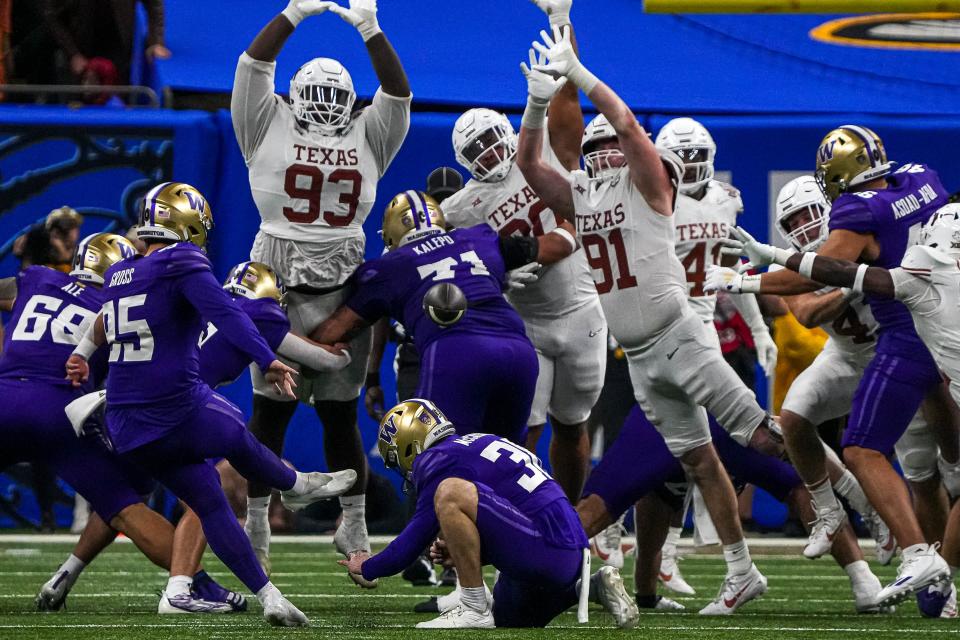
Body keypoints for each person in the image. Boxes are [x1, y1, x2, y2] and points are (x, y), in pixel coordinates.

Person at [515, 26, 775, 614]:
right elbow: (530, 162)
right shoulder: (583, 199)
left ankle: (832, 494)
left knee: (759, 436)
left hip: (681, 337)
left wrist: (578, 77)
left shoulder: (653, 186)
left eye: (611, 147)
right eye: (596, 147)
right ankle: (741, 572)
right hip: (638, 357)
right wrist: (535, 101)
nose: (604, 154)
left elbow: (629, 126)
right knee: (697, 458)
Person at [64, 182, 356, 627]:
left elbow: (104, 321)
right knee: (233, 426)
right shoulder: (182, 260)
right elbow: (227, 313)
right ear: (187, 222)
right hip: (169, 403)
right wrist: (268, 359)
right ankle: (294, 485)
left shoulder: (121, 271)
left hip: (126, 420)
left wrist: (81, 355)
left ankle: (269, 596)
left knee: (210, 499)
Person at [704, 131, 956, 607]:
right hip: (917, 329)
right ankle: (837, 512)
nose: (803, 224)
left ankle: (926, 560)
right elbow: (812, 298)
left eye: (808, 213)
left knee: (891, 458)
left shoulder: (855, 215)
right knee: (804, 418)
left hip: (904, 338)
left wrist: (745, 279)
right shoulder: (921, 176)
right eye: (792, 221)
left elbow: (822, 272)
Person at [231, 0, 411, 578]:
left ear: (351, 102)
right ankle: (257, 520)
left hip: (342, 283)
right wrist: (294, 13)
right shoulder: (266, 120)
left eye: (337, 97)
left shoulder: (370, 132)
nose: (326, 107)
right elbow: (252, 66)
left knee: (339, 413)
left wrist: (371, 30)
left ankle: (353, 520)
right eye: (316, 95)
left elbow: (399, 93)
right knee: (271, 412)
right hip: (276, 280)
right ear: (293, 95)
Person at [441, 0, 604, 503]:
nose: (490, 155)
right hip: (524, 322)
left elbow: (569, 91)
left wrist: (561, 22)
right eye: (478, 151)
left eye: (494, 141)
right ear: (463, 162)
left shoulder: (542, 149)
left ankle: (570, 517)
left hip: (580, 311)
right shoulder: (459, 207)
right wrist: (495, 281)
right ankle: (512, 518)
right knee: (520, 435)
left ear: (508, 134)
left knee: (573, 428)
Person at [0, 232, 196, 611]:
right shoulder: (120, 304)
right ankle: (191, 580)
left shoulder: (38, 278)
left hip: (5, 396)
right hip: (61, 413)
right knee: (125, 504)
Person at [339, 398, 639, 629]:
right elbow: (517, 512)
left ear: (408, 445)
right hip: (565, 549)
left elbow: (410, 544)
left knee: (451, 492)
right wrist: (471, 551)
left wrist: (366, 566)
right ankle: (591, 587)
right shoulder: (476, 443)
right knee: (509, 617)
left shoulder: (438, 459)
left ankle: (472, 606)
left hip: (545, 547)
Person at [578, 405, 887, 614]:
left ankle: (863, 577)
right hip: (668, 414)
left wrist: (858, 497)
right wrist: (645, 597)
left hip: (705, 413)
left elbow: (801, 447)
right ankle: (863, 580)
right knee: (602, 510)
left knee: (797, 471)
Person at [309, 190, 541, 452]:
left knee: (437, 457)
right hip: (519, 349)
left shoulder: (389, 267)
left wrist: (300, 342)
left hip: (456, 350)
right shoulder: (478, 236)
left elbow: (331, 332)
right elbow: (540, 247)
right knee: (510, 462)